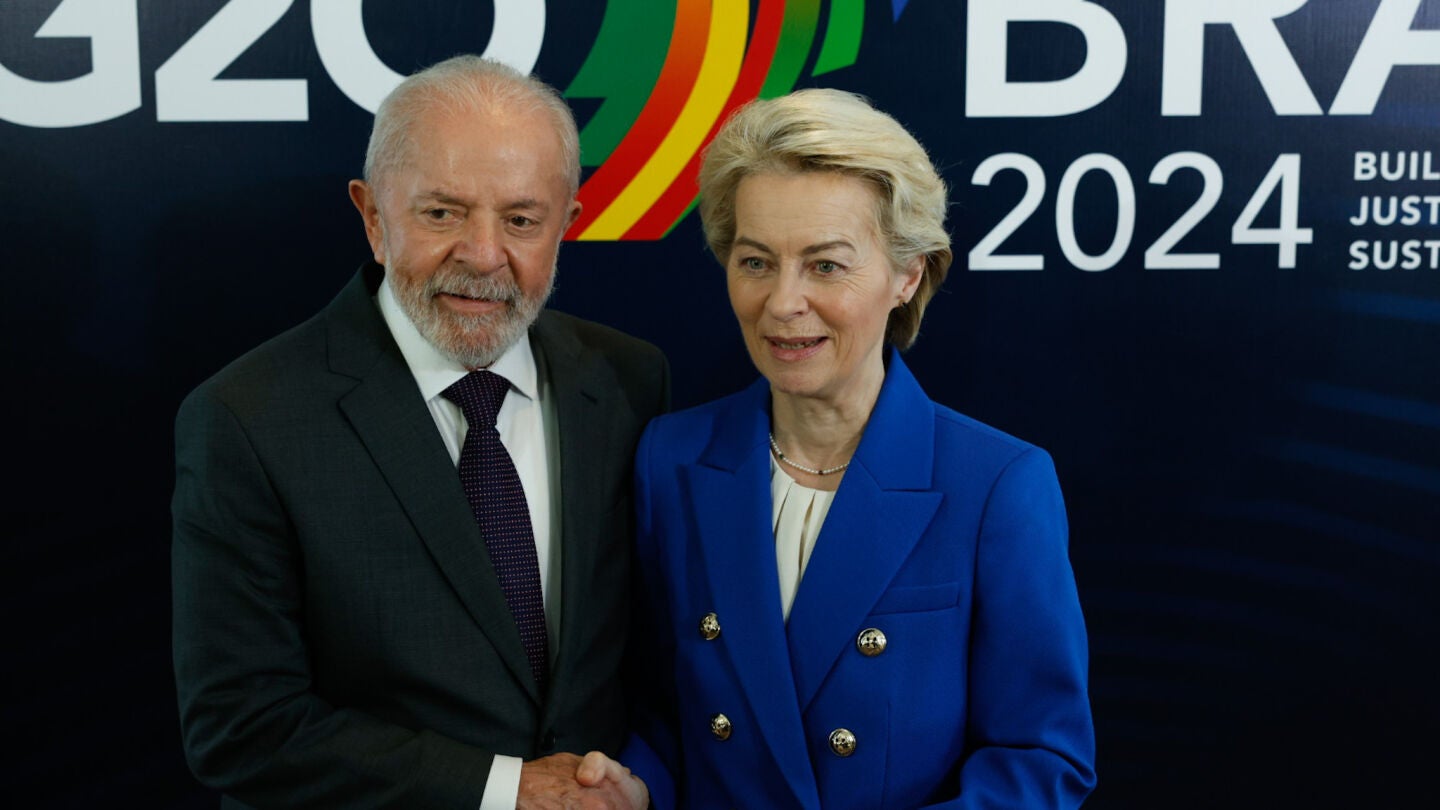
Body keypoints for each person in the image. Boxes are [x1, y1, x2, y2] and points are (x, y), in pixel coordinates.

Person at [172, 55, 666, 809]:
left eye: (521, 220)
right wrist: (508, 791)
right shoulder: (248, 417)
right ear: (373, 217)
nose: (483, 255)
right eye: (442, 213)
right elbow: (241, 727)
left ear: (566, 225)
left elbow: (658, 657)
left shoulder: (631, 380)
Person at [614, 89, 1096, 808]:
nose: (783, 302)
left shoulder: (998, 484)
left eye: (826, 266)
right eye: (756, 262)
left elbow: (1040, 759)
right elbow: (657, 712)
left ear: (908, 274)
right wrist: (630, 786)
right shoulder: (670, 458)